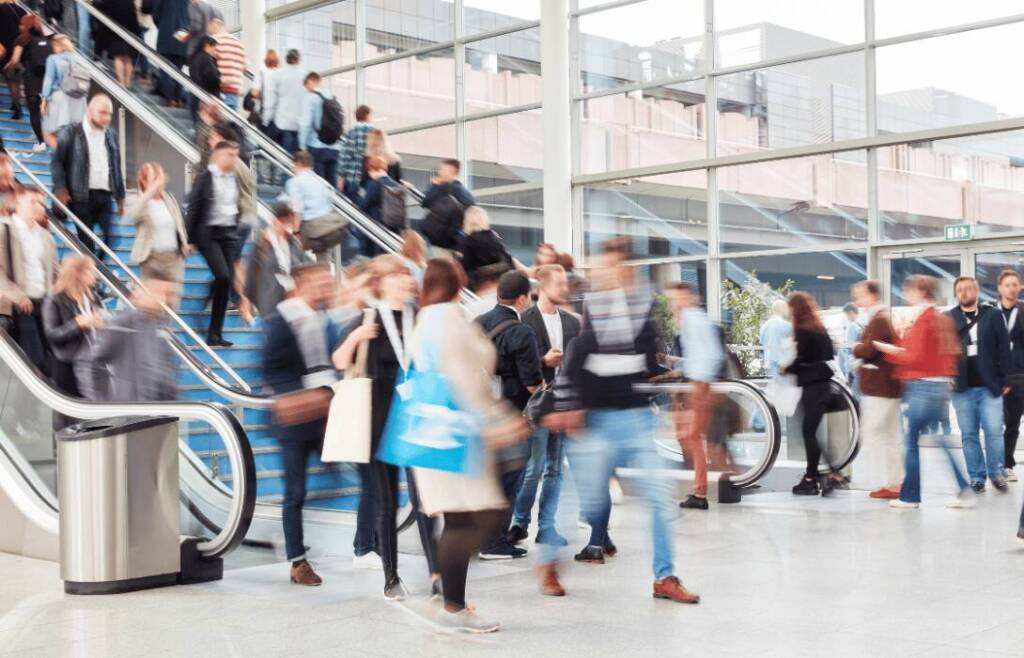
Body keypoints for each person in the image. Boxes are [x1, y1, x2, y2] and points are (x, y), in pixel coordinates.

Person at [543, 238, 699, 604]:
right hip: (595, 421)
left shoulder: (642, 312)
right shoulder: (591, 309)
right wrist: (568, 408)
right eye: (605, 266)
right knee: (589, 500)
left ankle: (665, 577)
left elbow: (647, 364)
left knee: (659, 497)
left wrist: (681, 395)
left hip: (636, 421)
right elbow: (575, 360)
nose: (611, 273)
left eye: (617, 266)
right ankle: (549, 558)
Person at [409, 258, 529, 631]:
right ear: (454, 282)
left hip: (433, 431)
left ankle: (451, 601)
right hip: (458, 433)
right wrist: (497, 420)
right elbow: (464, 379)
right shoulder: (449, 319)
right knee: (480, 514)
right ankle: (453, 607)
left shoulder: (424, 319)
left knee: (461, 518)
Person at [332, 255, 440, 601]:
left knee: (425, 500)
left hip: (414, 421)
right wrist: (357, 337)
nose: (407, 281)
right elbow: (339, 361)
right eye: (398, 276)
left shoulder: (419, 318)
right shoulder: (368, 320)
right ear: (382, 283)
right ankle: (391, 576)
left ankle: (437, 573)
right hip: (379, 422)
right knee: (387, 501)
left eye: (408, 276)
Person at [262, 263, 339, 586]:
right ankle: (297, 560)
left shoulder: (322, 319)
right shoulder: (281, 320)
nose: (326, 287)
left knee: (338, 476)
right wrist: (302, 395)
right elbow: (269, 369)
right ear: (302, 283)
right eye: (320, 281)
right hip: (295, 418)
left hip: (322, 414)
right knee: (295, 491)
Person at [509, 264, 580, 593]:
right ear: (543, 287)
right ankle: (519, 522)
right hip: (537, 403)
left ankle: (547, 526)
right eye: (560, 283)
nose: (565, 288)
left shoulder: (572, 323)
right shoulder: (525, 320)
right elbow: (518, 362)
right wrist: (543, 361)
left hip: (564, 403)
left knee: (555, 469)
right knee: (534, 467)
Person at [875, 275, 970, 509]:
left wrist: (889, 351)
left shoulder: (924, 320)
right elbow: (950, 353)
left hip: (921, 387)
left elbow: (913, 356)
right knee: (938, 441)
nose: (907, 294)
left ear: (921, 291)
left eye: (910, 290)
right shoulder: (941, 319)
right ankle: (963, 488)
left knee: (910, 443)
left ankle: (910, 497)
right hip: (938, 386)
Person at [476, 270, 543, 560]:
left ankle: (476, 537)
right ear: (523, 299)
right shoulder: (522, 332)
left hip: (480, 411)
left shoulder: (478, 323)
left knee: (486, 476)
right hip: (510, 416)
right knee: (509, 477)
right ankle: (494, 543)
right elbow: (532, 382)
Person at [664, 281, 725, 511]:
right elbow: (700, 354)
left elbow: (712, 354)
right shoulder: (692, 319)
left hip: (700, 385)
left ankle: (701, 492)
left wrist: (700, 383)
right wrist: (680, 369)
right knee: (692, 437)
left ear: (688, 298)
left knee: (691, 437)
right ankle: (701, 490)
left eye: (676, 298)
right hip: (698, 383)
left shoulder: (691, 318)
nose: (673, 303)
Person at [946, 276, 1006, 494]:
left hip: (990, 386)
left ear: (977, 291)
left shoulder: (993, 314)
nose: (964, 293)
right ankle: (976, 477)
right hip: (961, 387)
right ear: (956, 293)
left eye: (969, 288)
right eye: (960, 289)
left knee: (994, 432)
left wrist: (1005, 379)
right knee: (969, 434)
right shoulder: (948, 318)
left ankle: (997, 473)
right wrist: (947, 375)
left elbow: (1003, 348)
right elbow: (943, 350)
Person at [782, 292, 845, 496]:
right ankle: (819, 475)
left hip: (811, 387)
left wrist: (786, 368)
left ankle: (817, 476)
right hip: (823, 385)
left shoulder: (802, 330)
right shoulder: (819, 328)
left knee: (809, 433)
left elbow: (800, 359)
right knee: (811, 432)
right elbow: (828, 353)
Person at [52, 93, 127, 260]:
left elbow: (116, 166)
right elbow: (57, 162)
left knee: (112, 239)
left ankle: (94, 268)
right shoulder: (70, 132)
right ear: (89, 111)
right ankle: (92, 271)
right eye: (103, 113)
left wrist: (120, 196)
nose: (107, 118)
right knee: (87, 244)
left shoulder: (111, 135)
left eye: (109, 114)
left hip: (105, 196)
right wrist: (60, 188)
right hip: (80, 197)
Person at [185, 140, 242, 347]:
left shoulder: (233, 179)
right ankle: (209, 324)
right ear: (218, 156)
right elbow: (193, 208)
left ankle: (215, 334)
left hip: (228, 234)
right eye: (230, 155)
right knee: (223, 276)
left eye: (236, 155)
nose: (234, 159)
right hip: (208, 235)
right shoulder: (205, 178)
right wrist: (189, 239)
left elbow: (236, 207)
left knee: (226, 282)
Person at [850, 279, 904, 500]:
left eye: (860, 295)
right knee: (890, 436)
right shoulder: (881, 318)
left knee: (873, 434)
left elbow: (869, 351)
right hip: (888, 388)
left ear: (872, 295)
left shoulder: (879, 320)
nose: (856, 300)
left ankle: (885, 482)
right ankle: (893, 483)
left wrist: (856, 347)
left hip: (880, 389)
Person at [94, 273, 179, 401]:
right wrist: (101, 400)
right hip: (129, 405)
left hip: (157, 405)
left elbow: (165, 369)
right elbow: (96, 363)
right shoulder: (123, 323)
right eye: (156, 291)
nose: (161, 298)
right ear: (142, 292)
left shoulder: (161, 326)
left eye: (164, 293)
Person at [0, 186, 57, 373]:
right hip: (18, 305)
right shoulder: (4, 228)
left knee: (50, 360)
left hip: (44, 304)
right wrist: (17, 295)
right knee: (34, 359)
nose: (38, 206)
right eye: (32, 202)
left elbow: (54, 272)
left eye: (41, 203)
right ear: (18, 201)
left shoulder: (46, 237)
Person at [978, 270, 1024, 484]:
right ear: (999, 288)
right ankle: (994, 466)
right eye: (1007, 285)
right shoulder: (988, 312)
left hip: (1018, 376)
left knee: (1012, 423)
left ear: (1020, 287)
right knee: (994, 424)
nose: (1012, 288)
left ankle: (1007, 465)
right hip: (993, 377)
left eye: (1015, 284)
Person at [42, 254, 108, 400]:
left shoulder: (93, 298)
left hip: (92, 364)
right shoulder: (54, 300)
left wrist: (102, 324)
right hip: (67, 366)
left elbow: (102, 323)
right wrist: (77, 324)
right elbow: (52, 335)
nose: (95, 275)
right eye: (90, 271)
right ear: (77, 273)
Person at [241, 202, 307, 324]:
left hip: (291, 301)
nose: (286, 226)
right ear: (276, 220)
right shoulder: (262, 243)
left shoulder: (295, 245)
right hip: (270, 302)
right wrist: (246, 302)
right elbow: (250, 273)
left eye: (289, 221)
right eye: (283, 221)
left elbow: (301, 273)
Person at [128, 162, 189, 282]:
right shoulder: (140, 200)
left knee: (172, 293)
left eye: (162, 178)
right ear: (144, 181)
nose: (161, 182)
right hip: (152, 258)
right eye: (156, 179)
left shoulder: (169, 199)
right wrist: (151, 190)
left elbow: (179, 224)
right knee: (153, 292)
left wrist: (185, 245)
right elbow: (133, 214)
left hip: (173, 257)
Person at [285, 151, 347, 262]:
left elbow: (297, 210)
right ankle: (324, 270)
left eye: (292, 164)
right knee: (322, 255)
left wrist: (296, 232)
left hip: (312, 227)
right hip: (329, 228)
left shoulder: (295, 182)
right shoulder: (322, 181)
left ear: (297, 164)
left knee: (290, 245)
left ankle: (294, 269)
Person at [3, 15, 50, 151]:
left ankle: (41, 142)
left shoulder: (22, 39)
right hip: (46, 83)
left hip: (32, 83)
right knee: (46, 112)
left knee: (34, 112)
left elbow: (15, 60)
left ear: (26, 26)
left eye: (22, 24)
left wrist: (11, 68)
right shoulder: (46, 40)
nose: (20, 26)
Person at [40, 35, 87, 150]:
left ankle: (64, 157)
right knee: (73, 134)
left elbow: (49, 80)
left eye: (53, 45)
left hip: (60, 98)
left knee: (48, 133)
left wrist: (44, 99)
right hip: (80, 99)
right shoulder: (79, 59)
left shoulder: (53, 59)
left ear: (57, 45)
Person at [420, 158, 475, 252]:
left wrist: (434, 185)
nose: (439, 172)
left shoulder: (446, 188)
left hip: (441, 237)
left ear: (452, 171)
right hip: (453, 237)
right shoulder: (464, 192)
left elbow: (425, 202)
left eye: (442, 169)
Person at [298, 71, 343, 184]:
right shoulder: (332, 97)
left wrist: (302, 146)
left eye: (306, 86)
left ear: (309, 82)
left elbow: (305, 124)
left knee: (318, 183)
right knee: (332, 186)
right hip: (335, 147)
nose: (306, 89)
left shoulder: (310, 97)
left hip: (317, 146)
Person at [145, 0, 190, 107]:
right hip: (182, 39)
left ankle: (170, 99)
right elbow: (191, 18)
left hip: (166, 37)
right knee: (179, 72)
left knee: (165, 70)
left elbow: (155, 14)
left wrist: (162, 25)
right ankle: (178, 99)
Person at [263, 49, 307, 155]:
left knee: (281, 157)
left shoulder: (277, 75)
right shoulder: (306, 76)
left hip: (281, 123)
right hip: (300, 126)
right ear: (299, 60)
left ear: (286, 59)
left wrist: (266, 120)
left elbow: (270, 101)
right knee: (295, 159)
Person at [458, 207, 513, 285]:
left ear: (468, 221)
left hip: (478, 285)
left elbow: (464, 268)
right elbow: (507, 260)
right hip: (497, 284)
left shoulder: (467, 241)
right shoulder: (494, 237)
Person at [93, 0, 141, 88]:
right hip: (129, 32)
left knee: (118, 58)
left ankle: (121, 82)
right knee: (127, 59)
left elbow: (103, 8)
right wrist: (136, 33)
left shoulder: (111, 2)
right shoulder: (129, 2)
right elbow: (134, 18)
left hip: (115, 31)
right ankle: (128, 83)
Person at [338, 104, 376, 201]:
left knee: (351, 205)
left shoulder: (352, 131)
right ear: (367, 115)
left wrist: (341, 177)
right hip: (371, 178)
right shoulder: (376, 132)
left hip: (353, 177)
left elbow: (346, 156)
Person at [357, 156, 402, 239]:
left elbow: (363, 205)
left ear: (372, 169)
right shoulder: (397, 185)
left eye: (369, 171)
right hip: (394, 227)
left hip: (377, 226)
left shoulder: (374, 184)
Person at [207, 16, 245, 109]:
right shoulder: (239, 43)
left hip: (220, 88)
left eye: (209, 28)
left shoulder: (214, 41)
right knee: (231, 115)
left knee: (215, 115)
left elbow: (207, 63)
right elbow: (245, 66)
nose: (209, 31)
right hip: (235, 88)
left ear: (215, 26)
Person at [0, 0, 28, 121]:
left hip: (2, 47)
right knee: (13, 80)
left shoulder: (1, 9)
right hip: (17, 49)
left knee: (8, 77)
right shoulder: (21, 10)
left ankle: (14, 107)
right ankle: (16, 106)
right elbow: (26, 30)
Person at [759, 300, 791, 378]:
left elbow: (761, 345)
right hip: (783, 366)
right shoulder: (787, 325)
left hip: (769, 365)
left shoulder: (764, 326)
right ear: (783, 310)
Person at [840, 302, 862, 393]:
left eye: (846, 315)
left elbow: (850, 345)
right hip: (859, 361)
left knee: (853, 392)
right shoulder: (861, 324)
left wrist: (841, 345)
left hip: (852, 362)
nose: (847, 317)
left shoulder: (852, 326)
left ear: (851, 312)